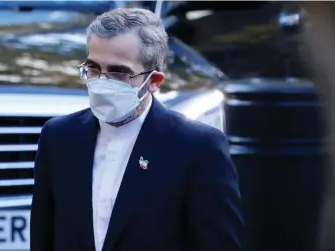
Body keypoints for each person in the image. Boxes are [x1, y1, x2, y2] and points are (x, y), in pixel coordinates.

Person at [30, 7, 244, 251]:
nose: (101, 82)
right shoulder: (59, 137)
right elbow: (43, 238)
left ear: (153, 82)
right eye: (93, 68)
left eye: (118, 72)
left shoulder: (197, 148)